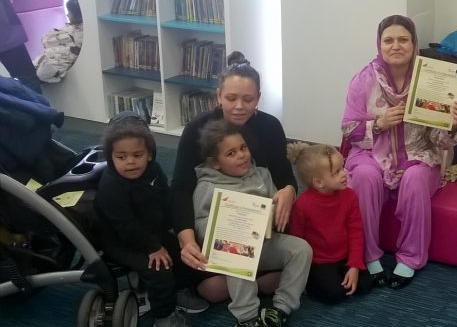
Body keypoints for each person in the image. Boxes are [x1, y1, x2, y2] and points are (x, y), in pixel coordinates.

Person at [341, 15, 457, 289]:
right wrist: (379, 123)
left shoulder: (432, 80)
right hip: (372, 153)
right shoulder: (363, 80)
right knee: (364, 175)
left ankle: (410, 258)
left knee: (414, 179)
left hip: (419, 153)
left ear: (414, 43)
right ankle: (369, 254)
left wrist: (453, 122)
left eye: (403, 39)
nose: (395, 46)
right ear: (379, 44)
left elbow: (439, 139)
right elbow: (349, 131)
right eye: (388, 40)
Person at [170, 51, 299, 303]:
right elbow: (180, 189)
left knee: (298, 255)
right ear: (218, 95)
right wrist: (187, 242)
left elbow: (286, 178)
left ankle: (249, 280)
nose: (239, 106)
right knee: (212, 288)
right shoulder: (197, 129)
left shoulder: (270, 126)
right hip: (213, 226)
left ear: (258, 98)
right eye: (230, 98)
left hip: (260, 227)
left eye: (248, 99)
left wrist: (288, 192)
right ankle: (253, 282)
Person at [94, 111, 208, 327]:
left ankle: (179, 292)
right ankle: (164, 316)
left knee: (186, 253)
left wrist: (174, 228)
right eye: (121, 157)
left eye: (137, 155)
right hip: (122, 241)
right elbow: (125, 227)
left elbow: (166, 198)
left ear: (149, 154)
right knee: (159, 269)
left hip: (152, 231)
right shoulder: (111, 187)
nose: (130, 162)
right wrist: (153, 247)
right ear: (111, 157)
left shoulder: (153, 170)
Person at [193, 119, 312, 327]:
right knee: (239, 250)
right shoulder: (207, 188)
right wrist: (224, 227)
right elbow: (201, 226)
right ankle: (247, 317)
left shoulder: (262, 175)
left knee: (301, 249)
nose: (241, 155)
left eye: (243, 148)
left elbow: (277, 210)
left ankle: (281, 308)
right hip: (230, 250)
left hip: (264, 243)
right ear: (215, 162)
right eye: (231, 153)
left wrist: (272, 214)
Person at [288, 144, 373, 303]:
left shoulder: (349, 196)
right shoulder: (302, 205)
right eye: (337, 172)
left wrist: (354, 265)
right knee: (334, 294)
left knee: (365, 284)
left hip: (343, 257)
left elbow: (356, 231)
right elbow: (296, 240)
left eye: (343, 167)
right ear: (319, 182)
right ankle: (311, 282)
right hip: (318, 261)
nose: (344, 174)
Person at [0, 0, 40, 93]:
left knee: (26, 77)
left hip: (5, 31)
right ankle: (41, 114)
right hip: (5, 32)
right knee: (27, 77)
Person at [34, 0, 83, 83]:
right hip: (55, 54)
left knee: (41, 73)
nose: (67, 15)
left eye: (69, 13)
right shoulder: (73, 28)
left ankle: (56, 74)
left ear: (77, 16)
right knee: (37, 63)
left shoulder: (78, 33)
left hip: (62, 57)